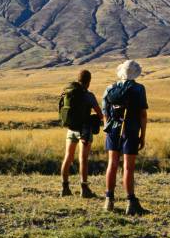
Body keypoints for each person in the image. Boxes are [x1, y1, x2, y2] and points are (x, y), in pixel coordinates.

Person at [102, 60, 149, 216]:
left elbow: (105, 113)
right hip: (130, 130)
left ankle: (109, 200)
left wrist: (108, 130)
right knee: (128, 167)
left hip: (113, 130)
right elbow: (143, 114)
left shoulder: (110, 88)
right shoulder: (139, 89)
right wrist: (143, 135)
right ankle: (130, 202)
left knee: (112, 164)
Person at [58, 69, 103, 198]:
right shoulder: (88, 95)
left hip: (71, 128)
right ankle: (84, 189)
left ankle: (65, 187)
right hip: (84, 130)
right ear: (89, 81)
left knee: (68, 157)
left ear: (78, 79)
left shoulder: (69, 92)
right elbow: (100, 114)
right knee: (83, 159)